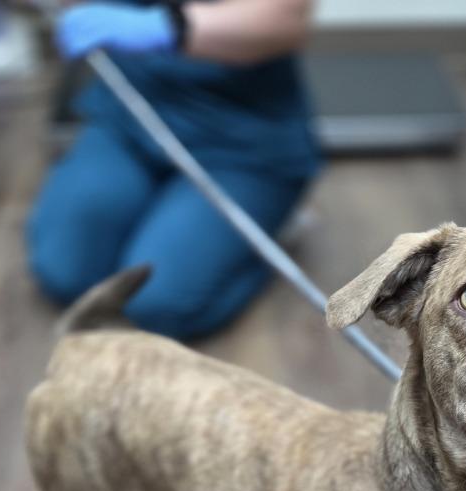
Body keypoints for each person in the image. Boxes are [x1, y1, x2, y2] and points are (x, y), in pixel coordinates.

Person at [27, 0, 321, 340]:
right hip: (127, 124)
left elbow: (283, 21)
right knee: (66, 275)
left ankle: (274, 229)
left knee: (158, 307)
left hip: (240, 147)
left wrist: (165, 28)